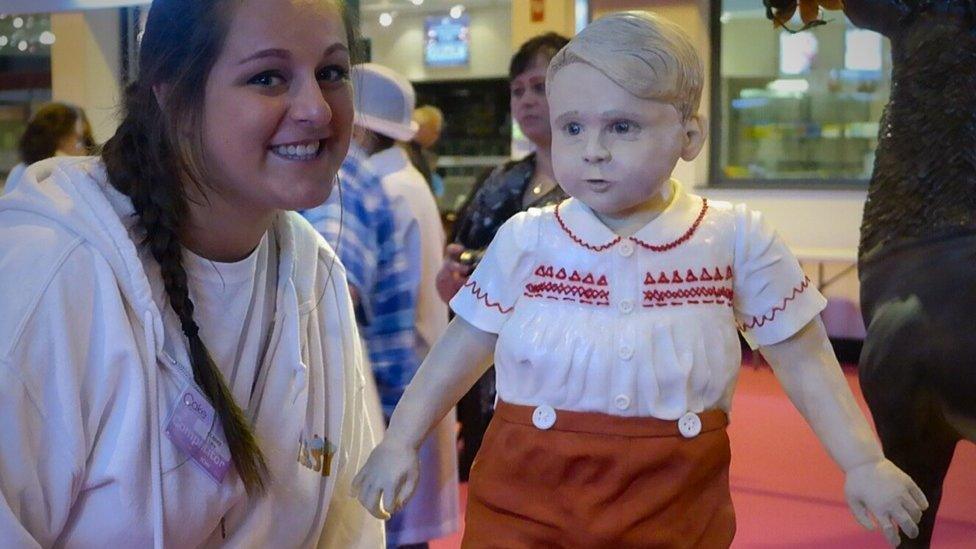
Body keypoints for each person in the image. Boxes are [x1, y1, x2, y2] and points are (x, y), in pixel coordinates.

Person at [353, 11, 927, 548]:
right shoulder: (528, 238)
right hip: (523, 485)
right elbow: (465, 344)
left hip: (676, 493)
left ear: (690, 135)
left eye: (622, 126)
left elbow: (802, 356)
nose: (593, 151)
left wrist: (861, 461)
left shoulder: (734, 237)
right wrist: (402, 439)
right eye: (572, 127)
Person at [0, 0, 383, 546]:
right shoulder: (52, 268)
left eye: (331, 73)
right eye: (268, 77)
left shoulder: (312, 272)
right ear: (171, 94)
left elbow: (351, 524)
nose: (317, 110)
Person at [435, 31, 570, 480]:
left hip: (568, 386)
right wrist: (451, 280)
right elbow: (457, 268)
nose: (526, 100)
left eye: (539, 86)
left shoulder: (605, 186)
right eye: (517, 91)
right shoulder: (498, 181)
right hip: (487, 383)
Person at [349, 63, 459, 548]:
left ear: (358, 126)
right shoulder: (405, 182)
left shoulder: (378, 190)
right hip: (419, 378)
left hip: (396, 387)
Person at [2, 101, 95, 195]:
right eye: (79, 139)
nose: (85, 148)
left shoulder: (18, 171)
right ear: (60, 139)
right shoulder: (62, 173)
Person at [405, 105, 445, 197]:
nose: (436, 136)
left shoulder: (415, 153)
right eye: (435, 130)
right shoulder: (410, 155)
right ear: (422, 128)